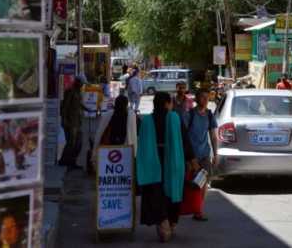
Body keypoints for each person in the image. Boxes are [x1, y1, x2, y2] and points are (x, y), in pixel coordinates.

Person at [137, 92, 192, 242]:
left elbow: (140, 142)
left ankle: (163, 223)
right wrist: (191, 158)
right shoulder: (174, 118)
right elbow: (184, 140)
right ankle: (170, 224)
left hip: (152, 162)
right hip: (172, 161)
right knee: (172, 192)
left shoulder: (147, 120)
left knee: (156, 193)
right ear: (167, 103)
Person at [183, 88, 218, 221]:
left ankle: (198, 211)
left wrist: (216, 154)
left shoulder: (209, 115)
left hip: (204, 155)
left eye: (207, 97)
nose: (205, 100)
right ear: (196, 99)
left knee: (203, 183)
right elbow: (184, 136)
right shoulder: (190, 114)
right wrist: (188, 157)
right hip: (191, 156)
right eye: (202, 97)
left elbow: (213, 137)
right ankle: (187, 207)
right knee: (190, 184)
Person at [93, 95, 138, 167]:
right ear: (126, 105)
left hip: (109, 146)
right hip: (126, 147)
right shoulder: (131, 115)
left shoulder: (107, 114)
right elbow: (133, 134)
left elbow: (100, 132)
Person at [58, 79, 83, 168]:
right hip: (71, 122)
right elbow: (65, 107)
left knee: (78, 142)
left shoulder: (78, 93)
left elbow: (80, 105)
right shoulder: (70, 92)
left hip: (77, 121)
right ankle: (65, 161)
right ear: (77, 83)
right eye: (80, 84)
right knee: (71, 143)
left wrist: (89, 109)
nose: (82, 86)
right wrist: (64, 119)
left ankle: (71, 161)